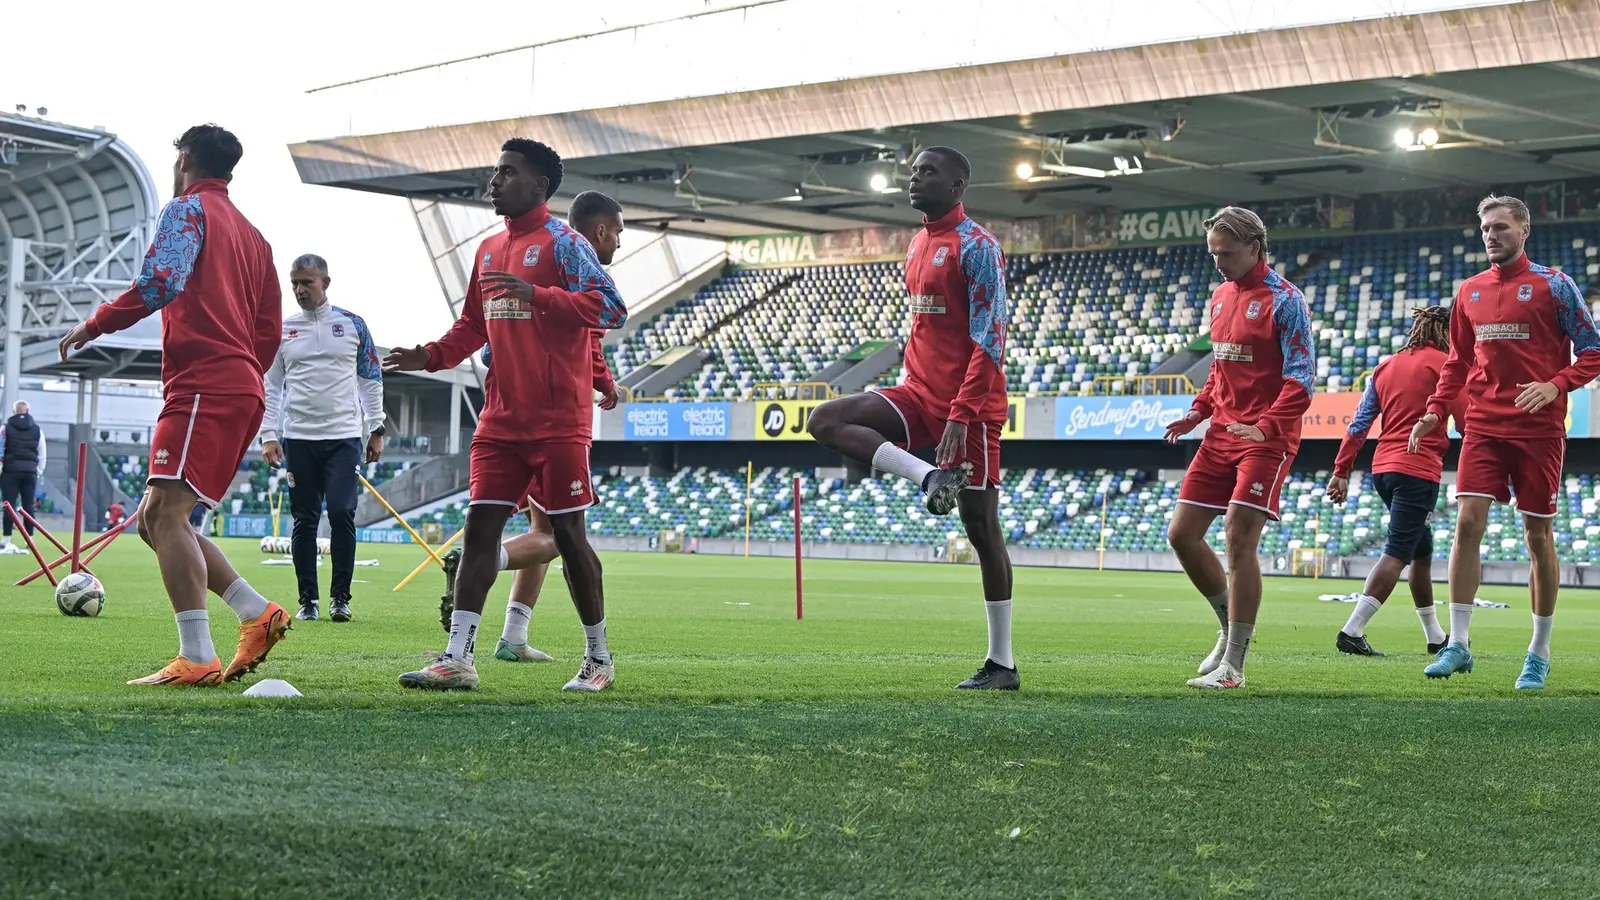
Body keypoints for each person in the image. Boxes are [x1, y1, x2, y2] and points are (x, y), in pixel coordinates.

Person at [384, 138, 627, 692]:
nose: (495, 181)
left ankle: (598, 660)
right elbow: (472, 325)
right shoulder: (489, 247)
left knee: (568, 536)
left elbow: (611, 307)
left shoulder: (564, 243)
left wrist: (540, 295)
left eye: (507, 172)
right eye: (496, 172)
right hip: (499, 422)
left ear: (538, 186)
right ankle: (457, 659)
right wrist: (430, 356)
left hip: (559, 421)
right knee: (478, 533)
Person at [57, 124, 288, 687]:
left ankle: (198, 656)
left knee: (165, 516)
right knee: (154, 522)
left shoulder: (187, 210)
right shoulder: (255, 237)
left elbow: (162, 280)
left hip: (206, 381)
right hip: (235, 383)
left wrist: (97, 323)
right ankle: (257, 612)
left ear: (184, 159)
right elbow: (269, 329)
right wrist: (242, 374)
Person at [805, 146, 1017, 691]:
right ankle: (927, 476)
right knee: (825, 419)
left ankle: (1002, 664)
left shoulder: (979, 248)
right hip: (916, 393)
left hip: (970, 410)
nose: (915, 179)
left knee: (980, 528)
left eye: (929, 172)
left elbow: (990, 340)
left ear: (958, 184)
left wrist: (961, 414)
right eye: (914, 171)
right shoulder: (918, 242)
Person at [1410, 194, 1600, 690]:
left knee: (1538, 537)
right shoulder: (1469, 292)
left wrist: (1557, 384)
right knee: (1467, 521)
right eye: (1486, 229)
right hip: (1483, 425)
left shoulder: (1555, 286)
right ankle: (1459, 644)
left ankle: (1538, 652)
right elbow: (1456, 362)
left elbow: (1595, 349)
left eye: (1500, 227)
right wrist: (1434, 411)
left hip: (1539, 430)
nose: (1491, 236)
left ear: (1524, 230)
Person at [439, 189, 625, 663]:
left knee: (552, 532)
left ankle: (515, 633)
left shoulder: (559, 252)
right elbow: (493, 333)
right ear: (599, 231)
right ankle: (492, 584)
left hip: (532, 413)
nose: (618, 245)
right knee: (555, 536)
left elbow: (593, 328)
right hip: (532, 416)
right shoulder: (540, 256)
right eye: (617, 233)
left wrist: (599, 377)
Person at [1164, 206, 1313, 691]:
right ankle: (1228, 628)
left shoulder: (1287, 302)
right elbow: (1219, 370)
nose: (1218, 263)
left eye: (1226, 254)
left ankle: (1234, 666)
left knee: (1237, 535)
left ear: (1256, 247)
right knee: (1182, 534)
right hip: (1221, 433)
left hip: (1265, 440)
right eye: (1213, 255)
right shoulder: (1220, 297)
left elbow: (1301, 379)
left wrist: (1266, 427)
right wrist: (1198, 411)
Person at [1325, 307, 1465, 656]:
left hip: (1383, 471)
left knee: (1422, 551)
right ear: (1446, 332)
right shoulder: (1446, 366)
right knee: (1398, 553)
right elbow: (1466, 421)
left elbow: (1359, 425)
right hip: (1418, 470)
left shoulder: (1385, 367)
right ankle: (1352, 630)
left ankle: (1435, 637)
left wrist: (1341, 471)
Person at [261, 253, 386, 624]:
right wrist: (268, 434)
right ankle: (308, 601)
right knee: (304, 520)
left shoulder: (352, 325)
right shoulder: (282, 331)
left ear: (325, 283)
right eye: (295, 283)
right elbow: (270, 386)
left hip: (344, 437)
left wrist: (376, 428)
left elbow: (370, 378)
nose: (300, 289)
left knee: (344, 514)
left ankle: (340, 599)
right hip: (299, 437)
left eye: (307, 282)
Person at [0, 400, 47, 554]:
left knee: (8, 506)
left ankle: (6, 539)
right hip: (30, 472)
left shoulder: (5, 429)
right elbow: (42, 453)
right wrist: (38, 471)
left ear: (14, 412)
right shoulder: (37, 430)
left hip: (10, 471)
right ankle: (30, 540)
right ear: (28, 410)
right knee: (28, 507)